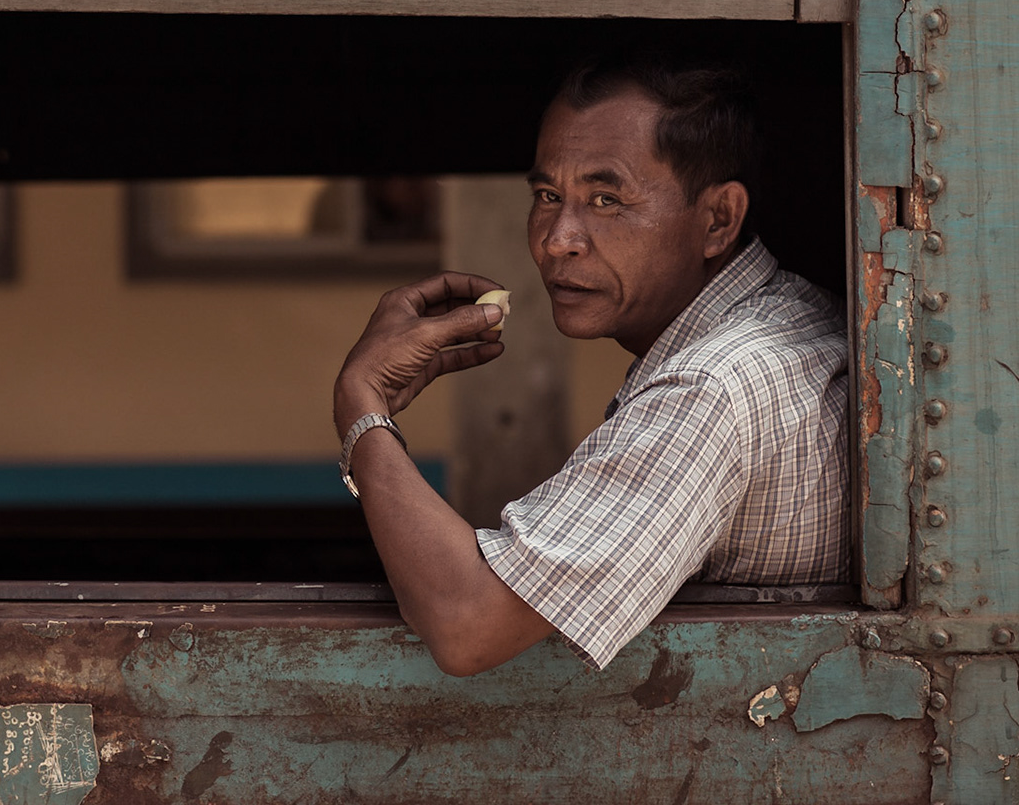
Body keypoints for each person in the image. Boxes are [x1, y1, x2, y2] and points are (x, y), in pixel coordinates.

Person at [332, 59, 850, 676]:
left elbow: (469, 623)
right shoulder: (791, 311)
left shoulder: (709, 389)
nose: (558, 239)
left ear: (718, 220)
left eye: (607, 200)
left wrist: (362, 405)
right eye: (549, 196)